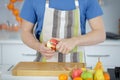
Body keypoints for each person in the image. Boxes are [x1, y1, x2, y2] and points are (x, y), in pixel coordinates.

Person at [20, 0, 106, 62]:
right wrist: (38, 46)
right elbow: (25, 32)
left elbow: (100, 34)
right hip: (43, 65)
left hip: (76, 69)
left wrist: (74, 41)